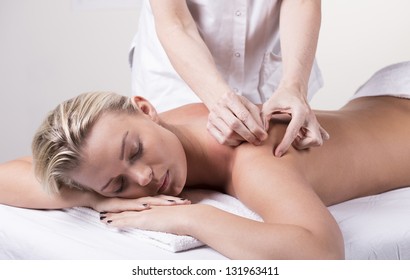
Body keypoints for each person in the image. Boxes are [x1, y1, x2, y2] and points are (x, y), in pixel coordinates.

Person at [1, 62, 410, 259]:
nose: (143, 177)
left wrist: (192, 218)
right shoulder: (162, 133)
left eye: (136, 152)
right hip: (374, 99)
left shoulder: (251, 155)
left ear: (146, 109)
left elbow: (322, 253)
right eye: (119, 183)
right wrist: (96, 199)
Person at [131, 0, 328, 156]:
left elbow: (302, 2)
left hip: (269, 68)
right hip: (179, 75)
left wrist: (294, 86)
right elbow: (176, 23)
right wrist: (218, 97)